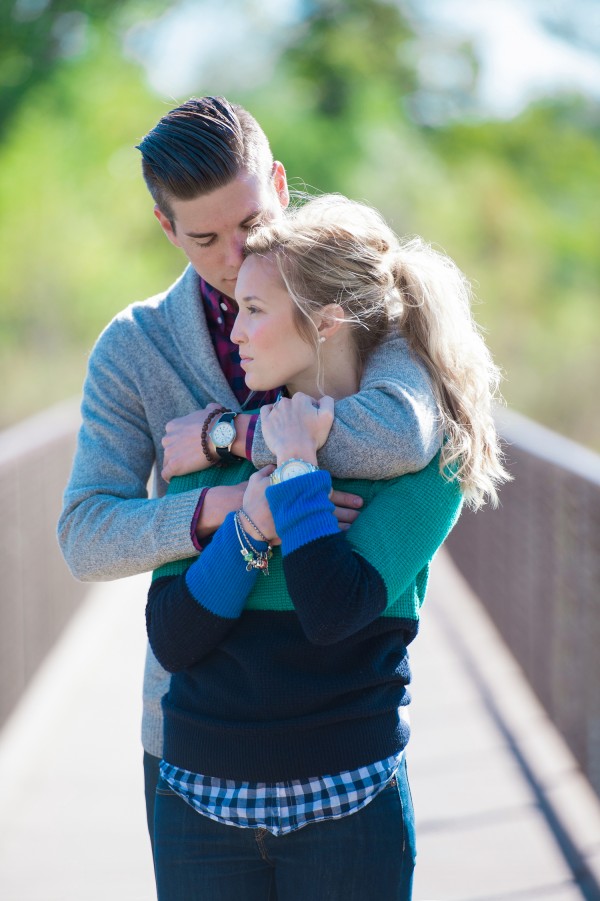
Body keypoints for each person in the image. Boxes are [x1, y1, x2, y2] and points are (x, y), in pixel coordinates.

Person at [57, 97, 442, 848]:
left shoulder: (357, 302)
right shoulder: (134, 347)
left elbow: (404, 432)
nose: (236, 256)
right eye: (205, 237)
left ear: (280, 181)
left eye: (252, 222)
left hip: (343, 734)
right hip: (187, 733)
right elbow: (85, 535)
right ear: (166, 228)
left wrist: (228, 434)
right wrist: (229, 507)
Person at [145, 194, 509, 899]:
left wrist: (299, 478)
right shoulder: (211, 443)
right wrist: (251, 526)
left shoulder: (434, 468)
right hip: (199, 808)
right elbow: (173, 636)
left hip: (350, 803)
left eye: (254, 310)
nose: (236, 332)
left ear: (328, 320)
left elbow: (333, 611)